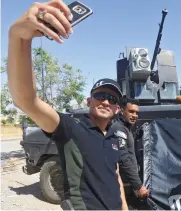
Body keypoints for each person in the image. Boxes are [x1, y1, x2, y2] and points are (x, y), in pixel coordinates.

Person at [6, 1, 131, 209]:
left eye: (113, 99)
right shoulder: (71, 128)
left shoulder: (114, 136)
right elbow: (26, 100)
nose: (106, 101)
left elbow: (114, 174)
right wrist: (19, 37)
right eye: (100, 95)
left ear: (117, 109)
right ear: (88, 101)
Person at [110, 97, 149, 208]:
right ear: (122, 111)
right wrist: (138, 185)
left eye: (136, 112)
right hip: (124, 184)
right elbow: (123, 159)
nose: (134, 115)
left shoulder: (126, 128)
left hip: (129, 183)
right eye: (131, 111)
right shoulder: (118, 129)